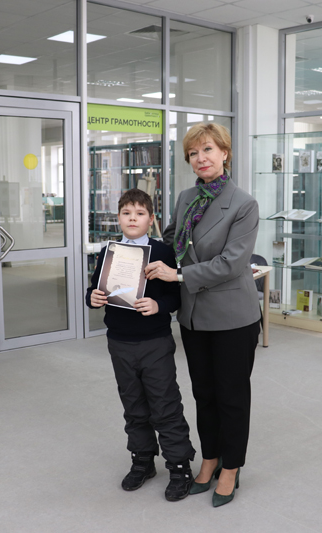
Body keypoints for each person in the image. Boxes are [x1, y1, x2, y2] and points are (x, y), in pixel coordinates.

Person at [145, 123, 261, 508]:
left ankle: (232, 467)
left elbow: (231, 263)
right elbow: (170, 243)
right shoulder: (186, 197)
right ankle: (210, 457)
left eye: (208, 149)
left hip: (232, 317)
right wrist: (133, 247)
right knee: (203, 393)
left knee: (232, 396)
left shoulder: (243, 204)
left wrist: (178, 275)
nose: (201, 158)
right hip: (194, 316)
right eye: (193, 153)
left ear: (225, 153)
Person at [86, 188, 196, 502]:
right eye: (126, 213)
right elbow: (95, 288)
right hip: (119, 342)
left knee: (165, 405)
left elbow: (175, 296)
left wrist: (159, 306)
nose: (132, 219)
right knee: (133, 406)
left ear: (151, 219)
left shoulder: (162, 252)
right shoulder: (108, 252)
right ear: (118, 218)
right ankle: (143, 460)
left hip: (154, 342)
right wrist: (92, 298)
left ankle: (179, 466)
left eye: (139, 213)